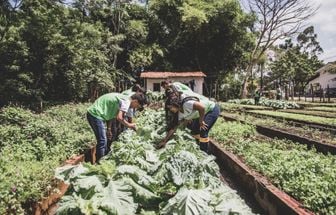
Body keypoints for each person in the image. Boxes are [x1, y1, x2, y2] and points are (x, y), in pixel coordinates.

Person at [87, 93, 145, 162]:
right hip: (95, 114)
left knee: (103, 140)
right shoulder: (126, 101)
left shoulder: (123, 99)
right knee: (102, 141)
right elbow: (119, 117)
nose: (134, 108)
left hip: (96, 114)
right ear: (135, 101)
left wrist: (108, 129)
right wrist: (130, 125)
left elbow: (113, 116)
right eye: (137, 106)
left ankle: (103, 159)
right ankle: (100, 163)